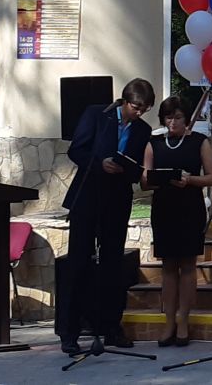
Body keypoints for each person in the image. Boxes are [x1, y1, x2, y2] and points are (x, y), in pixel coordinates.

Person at [58, 78, 155, 355]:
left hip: (116, 199)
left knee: (113, 265)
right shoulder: (97, 115)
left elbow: (137, 169)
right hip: (88, 197)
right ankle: (70, 331)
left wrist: (129, 169)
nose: (139, 112)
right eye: (136, 107)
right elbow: (76, 149)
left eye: (144, 109)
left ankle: (111, 326)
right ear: (124, 101)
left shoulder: (143, 130)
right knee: (79, 262)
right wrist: (100, 163)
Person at [142, 95, 212, 347]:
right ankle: (169, 321)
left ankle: (183, 319)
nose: (172, 122)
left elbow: (211, 178)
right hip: (164, 208)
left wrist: (190, 180)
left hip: (190, 208)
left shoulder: (199, 142)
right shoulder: (153, 143)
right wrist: (157, 179)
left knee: (188, 265)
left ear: (186, 119)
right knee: (168, 266)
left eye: (177, 117)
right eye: (168, 118)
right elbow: (145, 180)